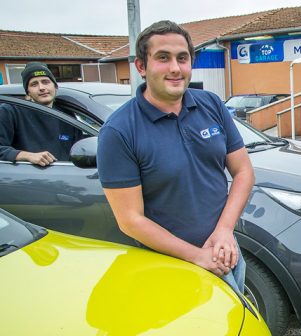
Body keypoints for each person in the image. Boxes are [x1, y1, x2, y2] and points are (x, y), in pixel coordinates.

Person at [96, 20, 255, 293]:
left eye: (182, 58)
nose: (175, 68)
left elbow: (243, 172)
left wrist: (224, 231)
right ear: (141, 67)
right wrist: (198, 256)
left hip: (225, 249)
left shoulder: (211, 104)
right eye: (162, 58)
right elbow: (130, 220)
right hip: (169, 265)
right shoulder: (118, 131)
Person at [0, 62, 83, 166]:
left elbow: (81, 150)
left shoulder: (67, 116)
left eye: (45, 82)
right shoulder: (11, 112)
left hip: (67, 178)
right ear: (28, 93)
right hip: (28, 179)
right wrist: (27, 156)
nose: (41, 88)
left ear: (55, 87)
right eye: (34, 84)